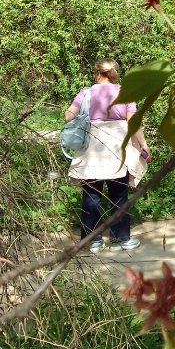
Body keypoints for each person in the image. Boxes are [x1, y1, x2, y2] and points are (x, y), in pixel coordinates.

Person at [64, 58, 150, 254]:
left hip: (91, 150)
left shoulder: (86, 93)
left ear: (97, 72)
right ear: (114, 73)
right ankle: (121, 238)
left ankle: (92, 241)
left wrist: (83, 112)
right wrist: (144, 145)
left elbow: (68, 116)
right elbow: (133, 123)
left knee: (91, 195)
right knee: (118, 195)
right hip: (117, 149)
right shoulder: (125, 92)